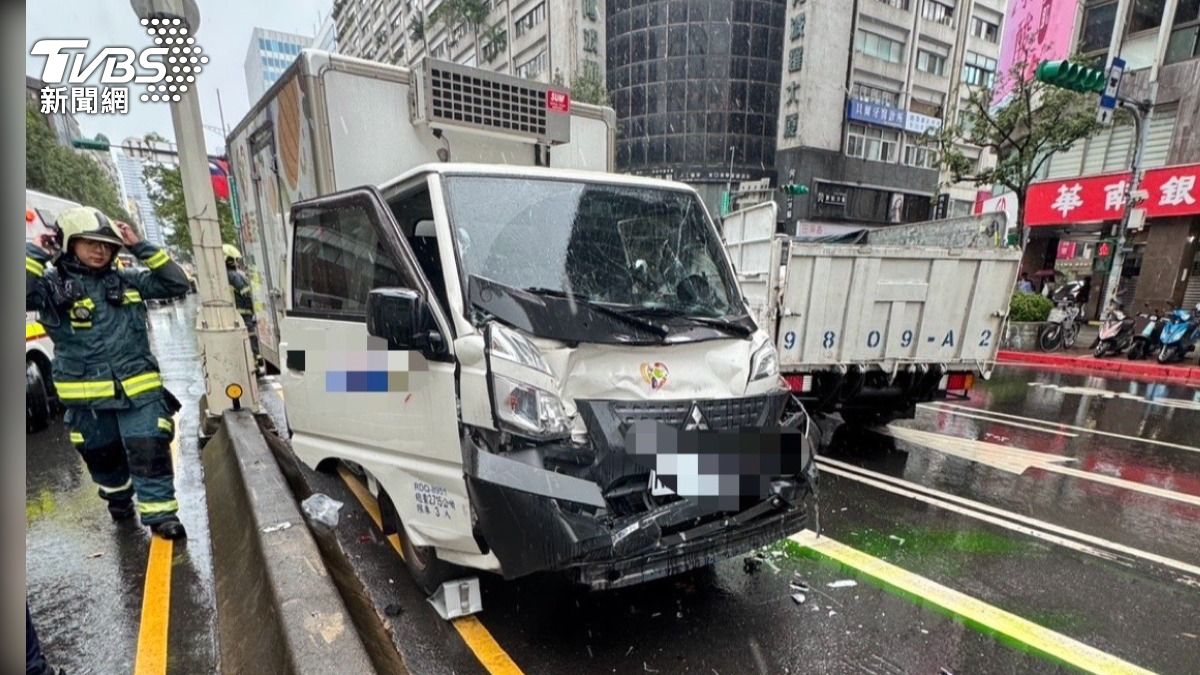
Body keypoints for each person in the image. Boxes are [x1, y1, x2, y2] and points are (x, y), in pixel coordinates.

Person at [25, 207, 190, 539]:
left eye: (107, 245)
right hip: (87, 400)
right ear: (70, 243)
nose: (100, 251)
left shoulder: (126, 280)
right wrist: (36, 253)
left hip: (138, 392)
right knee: (103, 457)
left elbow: (176, 282)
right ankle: (118, 499)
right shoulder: (50, 288)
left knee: (149, 448)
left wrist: (138, 244)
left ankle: (161, 516)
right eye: (91, 243)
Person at [223, 244, 261, 368]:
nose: (236, 262)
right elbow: (245, 292)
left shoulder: (225, 276)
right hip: (244, 312)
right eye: (234, 259)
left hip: (235, 312)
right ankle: (256, 361)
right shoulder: (234, 276)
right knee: (251, 335)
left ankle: (253, 361)